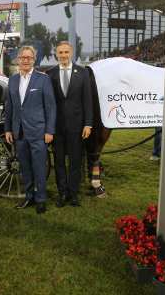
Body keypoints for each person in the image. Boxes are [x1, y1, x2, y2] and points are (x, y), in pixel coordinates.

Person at [4, 46, 56, 214]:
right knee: (25, 167)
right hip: (18, 132)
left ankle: (40, 199)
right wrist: (7, 129)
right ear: (18, 59)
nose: (25, 60)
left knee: (39, 167)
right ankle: (29, 197)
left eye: (28, 57)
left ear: (34, 60)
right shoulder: (12, 80)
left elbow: (51, 107)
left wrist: (49, 131)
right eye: (22, 57)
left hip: (38, 131)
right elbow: (9, 107)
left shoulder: (43, 79)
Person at [47, 41, 93, 207]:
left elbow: (87, 100)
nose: (63, 55)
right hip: (57, 127)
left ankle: (73, 194)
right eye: (60, 52)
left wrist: (88, 124)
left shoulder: (82, 72)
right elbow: (48, 103)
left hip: (77, 126)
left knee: (75, 161)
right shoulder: (50, 73)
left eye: (66, 52)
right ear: (56, 54)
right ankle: (62, 193)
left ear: (71, 53)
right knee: (59, 162)